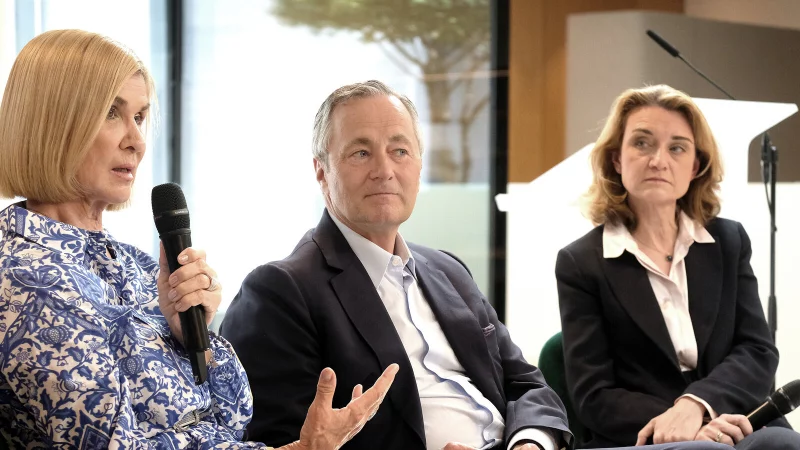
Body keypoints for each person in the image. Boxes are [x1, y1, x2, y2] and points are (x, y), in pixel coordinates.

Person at [220, 80, 733, 450]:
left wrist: (530, 444)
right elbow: (281, 442)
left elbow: (529, 385)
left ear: (419, 167)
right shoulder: (280, 290)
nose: (385, 169)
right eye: (360, 153)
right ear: (321, 172)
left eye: (400, 150)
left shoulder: (445, 270)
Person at [0, 29, 396, 449]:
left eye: (139, 117)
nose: (135, 141)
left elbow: (231, 417)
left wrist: (192, 339)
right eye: (111, 113)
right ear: (50, 123)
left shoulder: (138, 264)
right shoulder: (24, 277)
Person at [555, 84, 800, 449]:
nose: (659, 160)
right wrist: (683, 425)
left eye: (677, 148)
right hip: (645, 436)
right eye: (642, 143)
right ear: (616, 159)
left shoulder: (728, 242)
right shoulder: (580, 262)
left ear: (695, 166)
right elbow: (594, 393)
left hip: (738, 420)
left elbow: (757, 351)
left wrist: (698, 406)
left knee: (782, 445)